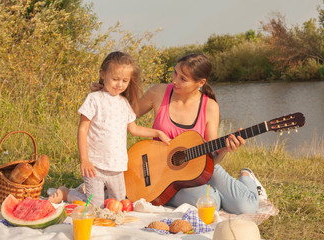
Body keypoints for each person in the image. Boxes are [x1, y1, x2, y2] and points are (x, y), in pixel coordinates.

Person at [50, 53, 267, 215]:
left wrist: (226, 149)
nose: (175, 81)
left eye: (183, 79)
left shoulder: (209, 106)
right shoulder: (159, 92)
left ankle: (246, 176)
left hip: (203, 167)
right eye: (175, 73)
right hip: (162, 172)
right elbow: (122, 117)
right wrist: (105, 96)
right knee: (212, 203)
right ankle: (214, 192)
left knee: (246, 206)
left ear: (200, 83)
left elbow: (211, 158)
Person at [48, 51, 170, 208]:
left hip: (117, 166)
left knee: (118, 205)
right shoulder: (94, 99)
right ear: (103, 74)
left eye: (125, 80)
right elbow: (83, 129)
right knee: (95, 206)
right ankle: (67, 193)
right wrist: (84, 159)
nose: (119, 84)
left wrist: (157, 132)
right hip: (95, 164)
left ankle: (91, 191)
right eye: (115, 79)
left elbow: (133, 129)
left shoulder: (124, 103)